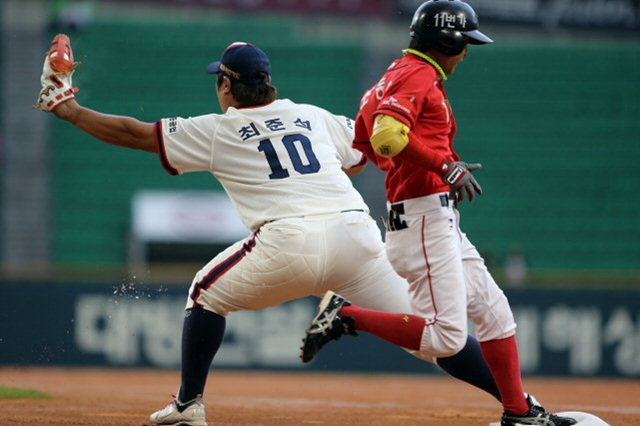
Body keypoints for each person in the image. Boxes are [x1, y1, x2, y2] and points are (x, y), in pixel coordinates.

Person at [36, 38, 507, 426]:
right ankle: (521, 406)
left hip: (289, 244)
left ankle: (187, 406)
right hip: (356, 235)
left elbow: (134, 133)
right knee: (431, 335)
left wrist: (69, 109)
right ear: (269, 84)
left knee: (204, 292)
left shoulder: (220, 129)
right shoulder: (313, 115)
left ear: (226, 85)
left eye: (218, 80)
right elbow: (367, 152)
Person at [300, 1, 577, 426]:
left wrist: (438, 163)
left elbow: (367, 146)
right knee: (446, 337)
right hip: (423, 219)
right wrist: (442, 166)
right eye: (463, 42)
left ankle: (519, 413)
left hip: (429, 216)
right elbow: (387, 137)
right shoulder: (418, 73)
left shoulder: (392, 76)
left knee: (494, 312)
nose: (466, 52)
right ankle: (347, 315)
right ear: (444, 40)